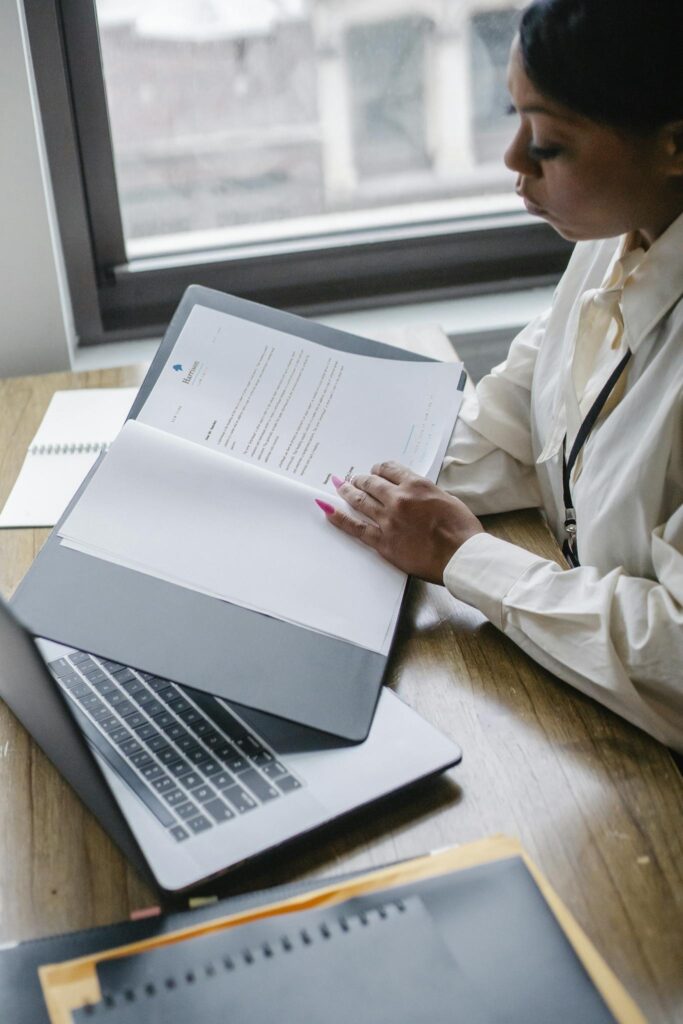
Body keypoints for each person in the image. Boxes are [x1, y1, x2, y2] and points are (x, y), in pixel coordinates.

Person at [316, 0, 683, 751]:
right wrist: (318, 480)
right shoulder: (617, 237)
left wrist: (463, 557)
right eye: (512, 115)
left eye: (546, 141)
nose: (512, 161)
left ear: (674, 145)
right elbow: (514, 423)